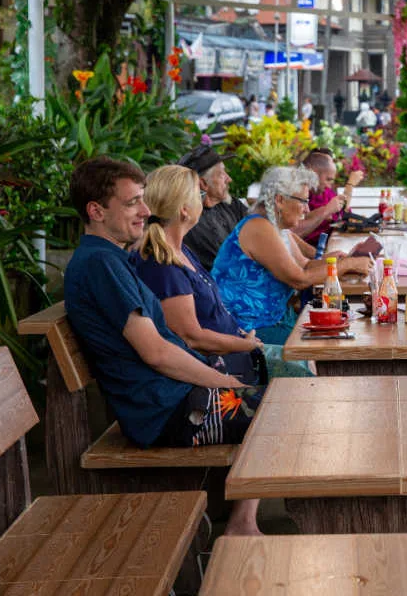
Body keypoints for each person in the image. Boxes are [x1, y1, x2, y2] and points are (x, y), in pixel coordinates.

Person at [63, 157, 262, 535]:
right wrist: (227, 385)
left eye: (144, 199)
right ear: (96, 211)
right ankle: (242, 526)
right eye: (132, 202)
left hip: (173, 400)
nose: (146, 210)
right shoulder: (99, 265)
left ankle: (242, 521)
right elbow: (155, 351)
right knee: (276, 414)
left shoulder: (109, 258)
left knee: (280, 400)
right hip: (165, 412)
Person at [131, 165, 266, 387]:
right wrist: (246, 345)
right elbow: (191, 337)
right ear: (184, 209)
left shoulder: (178, 250)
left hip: (232, 357)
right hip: (215, 374)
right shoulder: (161, 264)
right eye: (199, 195)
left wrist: (242, 338)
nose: (203, 201)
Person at [211, 166, 374, 346]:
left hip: (275, 319)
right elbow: (299, 279)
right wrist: (346, 265)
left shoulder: (277, 227)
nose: (306, 209)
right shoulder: (258, 228)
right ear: (280, 200)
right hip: (249, 329)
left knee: (342, 334)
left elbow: (305, 265)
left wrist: (342, 261)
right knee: (335, 343)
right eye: (303, 201)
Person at [178, 145, 248, 271]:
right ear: (203, 183)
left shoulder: (231, 204)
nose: (229, 179)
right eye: (222, 174)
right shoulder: (189, 221)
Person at [292, 149, 366, 244]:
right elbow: (291, 232)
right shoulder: (296, 194)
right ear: (312, 173)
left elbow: (343, 214)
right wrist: (326, 210)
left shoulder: (324, 191)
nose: (329, 185)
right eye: (328, 179)